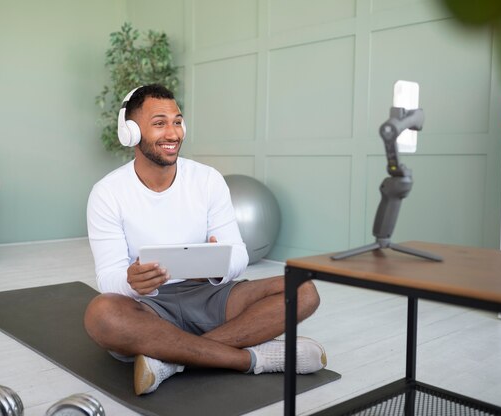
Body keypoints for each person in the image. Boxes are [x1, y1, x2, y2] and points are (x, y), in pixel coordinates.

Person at [84, 84, 326, 395]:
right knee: (100, 314)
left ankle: (170, 361)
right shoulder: (107, 192)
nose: (173, 133)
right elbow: (108, 277)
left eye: (177, 121)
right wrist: (132, 281)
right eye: (159, 123)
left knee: (303, 290)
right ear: (130, 132)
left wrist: (216, 267)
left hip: (208, 296)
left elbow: (238, 254)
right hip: (148, 306)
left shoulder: (207, 179)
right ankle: (252, 359)